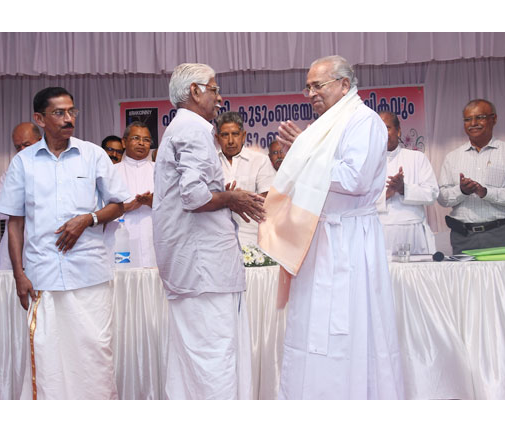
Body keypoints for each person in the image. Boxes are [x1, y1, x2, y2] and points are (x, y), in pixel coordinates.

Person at [259, 55, 403, 399]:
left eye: (317, 85)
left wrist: (305, 152)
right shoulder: (325, 124)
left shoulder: (363, 121)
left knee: (348, 329)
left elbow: (353, 178)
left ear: (343, 84)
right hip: (320, 236)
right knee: (310, 326)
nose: (310, 93)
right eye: (307, 86)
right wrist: (302, 150)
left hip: (349, 240)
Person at [0, 87, 130, 399]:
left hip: (90, 274)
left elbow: (118, 205)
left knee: (95, 353)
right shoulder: (23, 162)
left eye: (72, 111)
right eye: (59, 113)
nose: (68, 119)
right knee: (48, 357)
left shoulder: (92, 154)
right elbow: (14, 223)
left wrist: (89, 219)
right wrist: (19, 274)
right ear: (39, 119)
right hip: (44, 276)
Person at [152, 63, 265, 399]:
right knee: (215, 355)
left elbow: (192, 192)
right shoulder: (194, 128)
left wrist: (224, 196)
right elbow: (195, 196)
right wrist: (229, 197)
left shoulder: (181, 127)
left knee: (194, 358)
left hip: (194, 266)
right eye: (214, 89)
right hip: (205, 270)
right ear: (195, 91)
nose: (220, 97)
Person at [437, 99, 505, 254]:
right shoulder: (452, 157)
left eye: (479, 117)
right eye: (467, 119)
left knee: (504, 279)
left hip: (501, 234)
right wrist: (462, 191)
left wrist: (486, 192)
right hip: (463, 236)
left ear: (493, 119)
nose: (473, 123)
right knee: (465, 279)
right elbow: (442, 198)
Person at [375, 111, 438, 255]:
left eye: (387, 128)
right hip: (381, 231)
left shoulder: (417, 158)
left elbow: (432, 194)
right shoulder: (367, 163)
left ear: (398, 131)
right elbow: (359, 201)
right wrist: (387, 194)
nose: (382, 133)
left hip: (413, 232)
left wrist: (404, 189)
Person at [214, 111, 276, 248]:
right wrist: (228, 198)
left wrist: (235, 198)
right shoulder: (210, 163)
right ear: (217, 138)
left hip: (251, 240)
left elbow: (268, 200)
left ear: (243, 136)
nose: (230, 141)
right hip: (216, 241)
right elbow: (202, 198)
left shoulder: (260, 161)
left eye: (235, 134)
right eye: (225, 135)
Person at [0, 122, 41, 269]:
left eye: (26, 145)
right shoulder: (12, 171)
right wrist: (24, 203)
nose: (22, 150)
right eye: (17, 147)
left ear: (40, 141)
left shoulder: (58, 169)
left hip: (46, 248)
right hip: (14, 250)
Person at [104, 121, 156, 267]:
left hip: (153, 244)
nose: (141, 143)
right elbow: (99, 211)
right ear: (124, 142)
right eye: (136, 138)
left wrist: (152, 202)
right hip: (119, 246)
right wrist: (127, 206)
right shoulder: (111, 172)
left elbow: (174, 207)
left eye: (146, 140)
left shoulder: (160, 171)